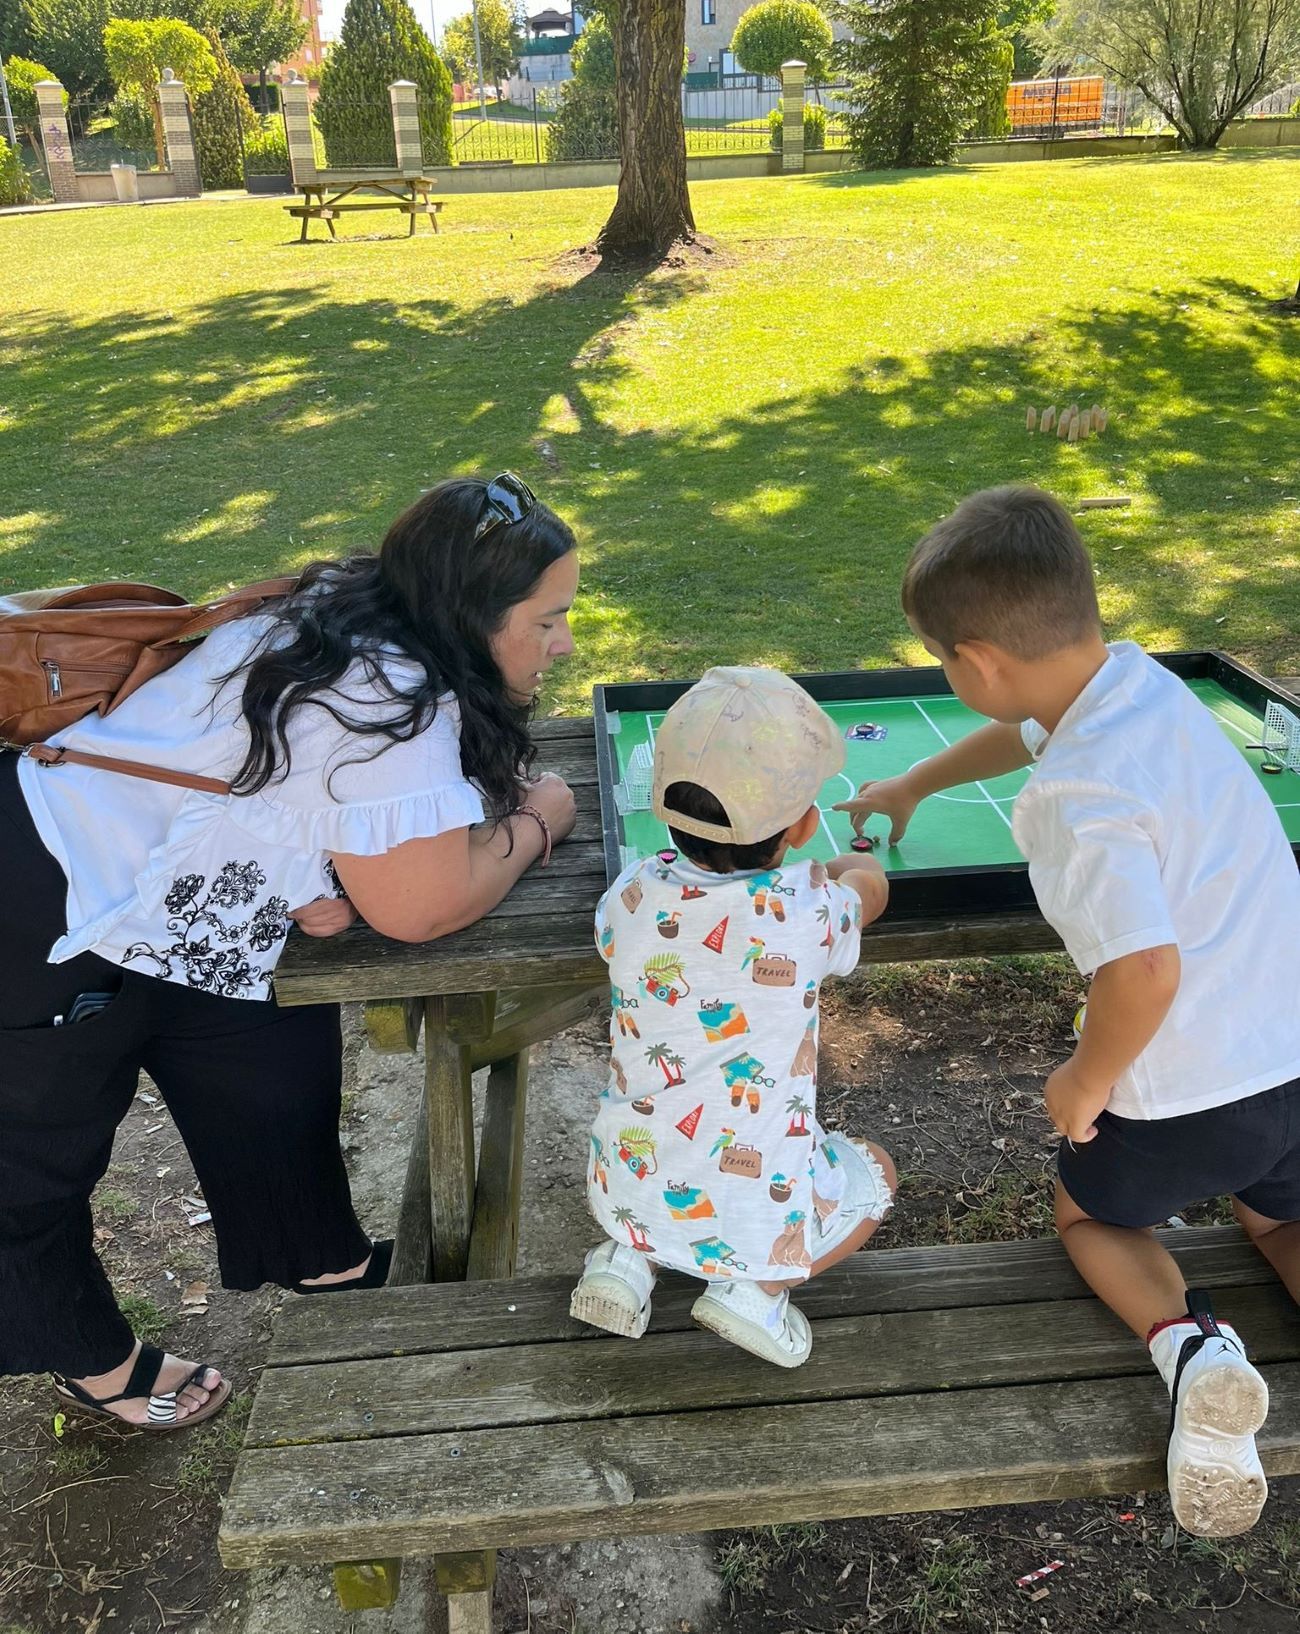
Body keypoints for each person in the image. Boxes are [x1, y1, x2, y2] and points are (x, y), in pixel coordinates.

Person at [0, 474, 579, 1430]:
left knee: (272, 1072)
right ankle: (89, 1356)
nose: (561, 642)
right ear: (471, 613)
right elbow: (424, 909)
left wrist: (308, 875)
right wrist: (544, 819)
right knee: (33, 1163)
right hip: (50, 899)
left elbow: (260, 775)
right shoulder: (393, 701)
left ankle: (321, 1259)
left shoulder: (349, 605)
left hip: (186, 902)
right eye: (547, 619)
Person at [835, 485, 1300, 1537]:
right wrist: (913, 780)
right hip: (1291, 1049)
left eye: (943, 661)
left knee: (1090, 1212)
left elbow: (1141, 969)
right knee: (1278, 1211)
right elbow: (1031, 724)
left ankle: (1194, 1351)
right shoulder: (1136, 681)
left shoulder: (1074, 797)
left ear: (976, 661)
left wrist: (1083, 1082)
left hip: (1191, 1087)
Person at [571, 666, 895, 1368]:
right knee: (878, 1174)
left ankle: (622, 1265)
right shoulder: (808, 909)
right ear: (805, 824)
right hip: (759, 1203)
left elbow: (608, 934)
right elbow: (865, 898)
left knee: (656, 1186)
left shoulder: (630, 892)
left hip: (625, 1173)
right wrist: (857, 871)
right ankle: (758, 1290)